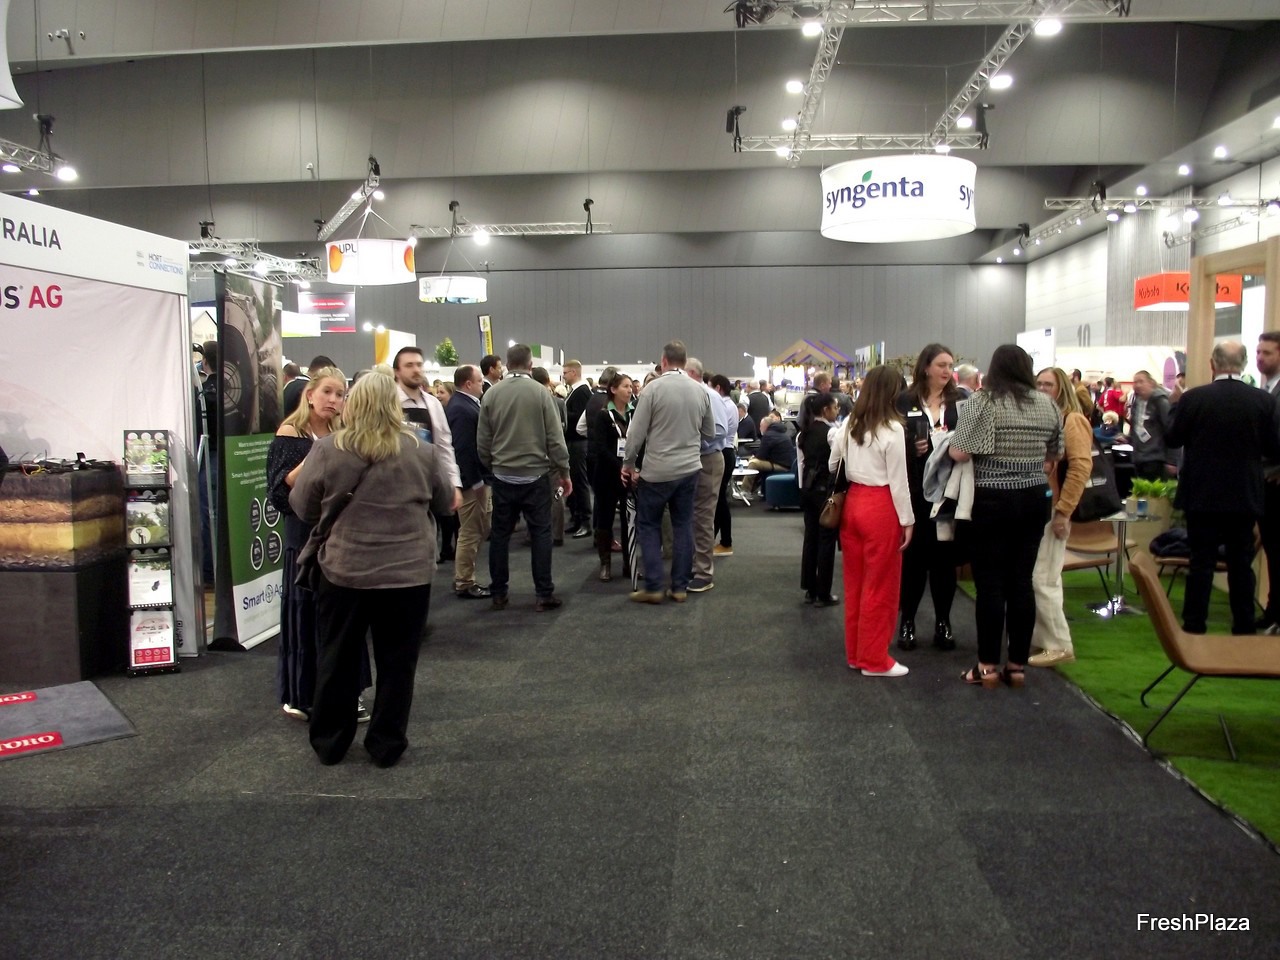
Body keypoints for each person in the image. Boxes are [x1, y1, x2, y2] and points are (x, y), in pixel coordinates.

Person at [289, 372, 453, 767]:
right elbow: (445, 502)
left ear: (354, 404)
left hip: (345, 571)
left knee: (337, 658)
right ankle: (386, 744)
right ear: (393, 406)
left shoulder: (328, 450)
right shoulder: (422, 452)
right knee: (398, 663)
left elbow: (303, 506)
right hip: (408, 575)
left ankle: (331, 742)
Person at [949, 344, 1062, 689]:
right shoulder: (1047, 404)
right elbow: (1055, 453)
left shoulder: (982, 402)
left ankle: (986, 667)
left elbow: (960, 452)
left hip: (992, 500)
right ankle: (1016, 666)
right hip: (1034, 499)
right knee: (1021, 581)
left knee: (990, 584)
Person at [267, 367, 364, 721]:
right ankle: (303, 694)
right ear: (310, 394)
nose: (333, 400)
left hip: (340, 536)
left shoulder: (343, 433)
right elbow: (279, 491)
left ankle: (348, 693)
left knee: (343, 619)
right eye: (327, 392)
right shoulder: (289, 434)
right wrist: (318, 454)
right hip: (304, 537)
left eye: (340, 395)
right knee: (306, 617)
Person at [1165, 341, 1280, 635]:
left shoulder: (1193, 398)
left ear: (1212, 364)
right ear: (1244, 364)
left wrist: (1175, 405)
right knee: (1241, 563)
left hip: (1202, 494)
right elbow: (1273, 448)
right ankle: (1243, 625)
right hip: (1244, 495)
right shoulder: (1263, 401)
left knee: (1200, 562)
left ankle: (1194, 624)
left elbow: (1173, 438)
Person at [828, 365, 914, 677]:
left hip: (852, 504)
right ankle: (874, 659)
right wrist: (908, 520)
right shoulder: (893, 429)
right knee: (881, 585)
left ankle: (857, 654)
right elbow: (899, 480)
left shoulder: (850, 423)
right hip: (880, 506)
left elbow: (833, 463)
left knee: (855, 583)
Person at [477, 344, 572, 612]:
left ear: (507, 365)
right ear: (531, 365)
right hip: (536, 475)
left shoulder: (491, 394)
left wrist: (493, 466)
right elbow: (555, 439)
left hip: (503, 476)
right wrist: (564, 472)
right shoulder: (541, 393)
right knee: (541, 534)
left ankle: (498, 592)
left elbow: (482, 441)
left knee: (500, 536)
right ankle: (543, 593)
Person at [622, 340, 715, 604]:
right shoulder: (700, 391)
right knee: (683, 525)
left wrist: (628, 464)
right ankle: (679, 587)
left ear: (663, 361)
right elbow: (710, 433)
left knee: (649, 525)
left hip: (657, 471)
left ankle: (653, 586)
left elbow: (635, 434)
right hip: (689, 470)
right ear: (684, 362)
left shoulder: (653, 390)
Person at [895, 343, 961, 652]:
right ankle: (907, 621)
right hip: (916, 492)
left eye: (950, 366)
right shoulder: (905, 400)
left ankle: (943, 622)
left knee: (945, 562)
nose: (947, 371)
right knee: (914, 561)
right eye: (941, 365)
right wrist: (911, 445)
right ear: (925, 367)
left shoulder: (961, 401)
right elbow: (890, 441)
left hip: (950, 494)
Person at [1027, 367, 1093, 668]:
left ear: (1061, 388)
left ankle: (1059, 645)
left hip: (1055, 508)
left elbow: (1080, 468)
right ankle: (1044, 640)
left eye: (1048, 385)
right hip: (1039, 506)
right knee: (1039, 576)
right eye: (1038, 384)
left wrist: (1064, 512)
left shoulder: (1072, 420)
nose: (1042, 389)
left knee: (1044, 577)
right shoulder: (1044, 419)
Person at [445, 365, 491, 600]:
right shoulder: (461, 409)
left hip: (476, 479)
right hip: (471, 482)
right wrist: (475, 482)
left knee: (479, 528)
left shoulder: (466, 404)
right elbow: (464, 450)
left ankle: (465, 577)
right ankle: (464, 581)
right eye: (480, 381)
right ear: (468, 384)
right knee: (470, 532)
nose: (483, 385)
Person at [686, 358, 729, 593]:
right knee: (692, 517)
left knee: (703, 517)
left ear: (692, 373)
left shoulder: (710, 396)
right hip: (691, 460)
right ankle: (694, 566)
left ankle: (703, 572)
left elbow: (720, 430)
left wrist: (694, 441)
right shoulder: (691, 395)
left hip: (707, 459)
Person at [589, 372, 633, 582]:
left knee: (629, 520)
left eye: (630, 386)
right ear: (613, 390)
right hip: (607, 474)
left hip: (628, 474)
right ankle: (605, 564)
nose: (630, 390)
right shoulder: (604, 415)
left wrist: (633, 467)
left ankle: (629, 563)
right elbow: (601, 448)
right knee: (605, 520)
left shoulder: (634, 414)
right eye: (625, 386)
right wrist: (621, 467)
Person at [798, 392, 839, 606]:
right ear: (826, 410)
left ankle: (810, 589)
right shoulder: (832, 433)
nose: (837, 411)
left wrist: (802, 490)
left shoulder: (802, 434)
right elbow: (836, 464)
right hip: (825, 492)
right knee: (826, 541)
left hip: (807, 490)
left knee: (810, 539)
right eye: (835, 407)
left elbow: (801, 465)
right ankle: (823, 593)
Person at [1257, 333, 1280, 631]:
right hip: (1263, 480)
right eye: (1259, 352)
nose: (1261, 358)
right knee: (1272, 551)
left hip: (1275, 482)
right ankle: (1274, 611)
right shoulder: (1267, 388)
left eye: (1267, 353)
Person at [562, 360, 594, 537]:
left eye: (565, 372)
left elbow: (581, 417)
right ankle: (577, 518)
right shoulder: (576, 390)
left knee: (580, 482)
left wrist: (562, 415)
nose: (564, 376)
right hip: (573, 442)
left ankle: (585, 521)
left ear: (574, 372)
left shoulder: (581, 391)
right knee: (574, 481)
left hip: (578, 442)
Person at [710, 375, 739, 557]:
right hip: (728, 452)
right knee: (719, 498)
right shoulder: (731, 405)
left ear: (718, 388)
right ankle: (719, 539)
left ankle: (726, 541)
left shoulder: (723, 405)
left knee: (719, 499)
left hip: (723, 451)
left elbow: (718, 431)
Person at [1127, 370, 1175, 480]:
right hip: (1138, 458)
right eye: (1135, 382)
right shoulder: (1137, 402)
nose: (1137, 385)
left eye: (1141, 381)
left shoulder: (1161, 401)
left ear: (1151, 383)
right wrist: (1128, 438)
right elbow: (1136, 427)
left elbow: (1171, 430)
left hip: (1156, 458)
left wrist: (1172, 461)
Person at [746, 411, 795, 491]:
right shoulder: (780, 432)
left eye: (760, 426)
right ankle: (753, 489)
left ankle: (745, 490)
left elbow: (761, 456)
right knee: (757, 463)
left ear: (765, 426)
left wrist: (753, 457)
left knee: (753, 463)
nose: (759, 429)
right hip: (787, 464)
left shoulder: (768, 435)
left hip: (782, 466)